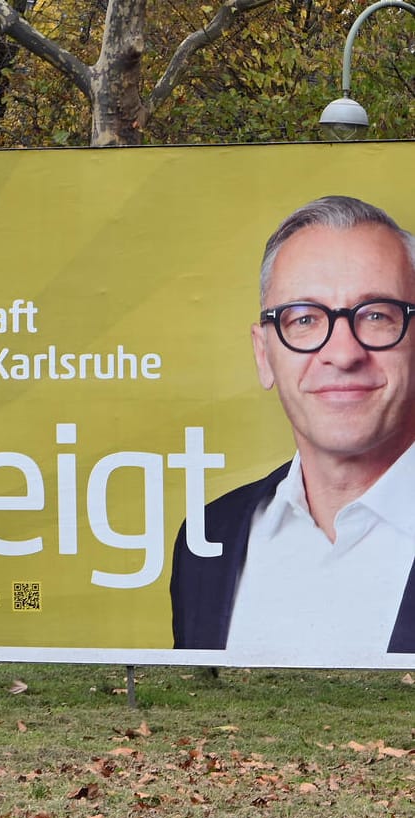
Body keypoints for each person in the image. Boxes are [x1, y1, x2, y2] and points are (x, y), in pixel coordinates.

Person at [170, 195, 415, 653]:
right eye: (303, 319)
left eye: (378, 316)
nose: (343, 354)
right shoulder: (208, 541)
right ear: (264, 356)